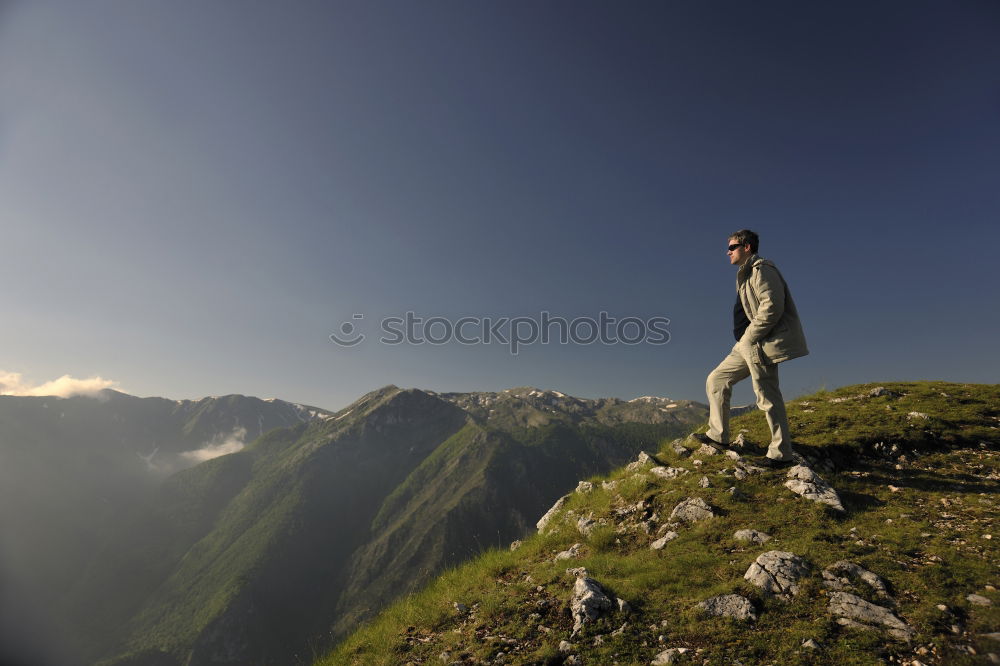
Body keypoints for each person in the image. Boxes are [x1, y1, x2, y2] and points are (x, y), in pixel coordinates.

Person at [692, 230, 809, 468]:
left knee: (766, 395)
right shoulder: (744, 274)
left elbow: (772, 307)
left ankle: (781, 454)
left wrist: (750, 337)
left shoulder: (762, 269)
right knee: (716, 380)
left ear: (747, 247)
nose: (728, 251)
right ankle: (718, 436)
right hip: (745, 345)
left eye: (732, 247)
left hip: (758, 343)